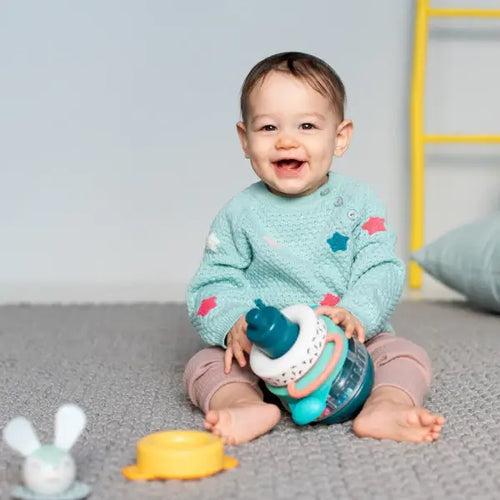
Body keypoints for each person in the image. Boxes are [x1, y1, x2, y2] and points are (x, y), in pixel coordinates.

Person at [183, 51, 445, 445]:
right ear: (245, 139)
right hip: (265, 352)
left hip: (349, 348)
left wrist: (356, 313)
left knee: (405, 356)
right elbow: (213, 281)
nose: (286, 140)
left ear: (339, 138)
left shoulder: (358, 203)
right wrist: (234, 323)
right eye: (268, 127)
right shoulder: (239, 214)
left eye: (307, 125)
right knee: (205, 365)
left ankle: (386, 406)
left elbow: (381, 267)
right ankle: (243, 404)